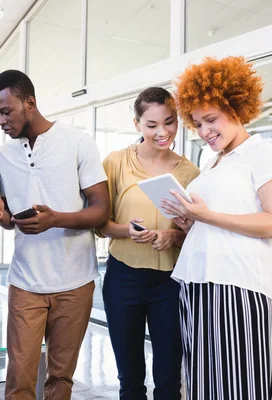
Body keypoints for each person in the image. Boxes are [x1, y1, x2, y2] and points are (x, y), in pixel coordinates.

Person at [0, 69, 110, 400]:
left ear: (29, 103)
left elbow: (101, 210)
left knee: (60, 378)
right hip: (25, 283)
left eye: (7, 111)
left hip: (75, 282)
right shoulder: (3, 156)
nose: (1, 121)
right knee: (18, 379)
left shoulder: (77, 142)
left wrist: (56, 219)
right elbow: (9, 221)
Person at [161, 56, 272, 399]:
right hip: (199, 282)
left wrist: (207, 217)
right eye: (197, 123)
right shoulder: (212, 160)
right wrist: (189, 221)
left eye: (211, 120)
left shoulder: (264, 154)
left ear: (235, 108)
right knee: (205, 386)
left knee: (242, 387)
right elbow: (215, 221)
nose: (204, 131)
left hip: (242, 288)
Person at [97, 87, 199, 399]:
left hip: (170, 283)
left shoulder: (191, 172)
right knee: (130, 378)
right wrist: (127, 230)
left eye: (169, 122)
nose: (163, 132)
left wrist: (175, 235)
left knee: (169, 378)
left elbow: (200, 233)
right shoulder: (115, 163)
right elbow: (100, 225)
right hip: (123, 278)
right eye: (151, 125)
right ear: (136, 124)